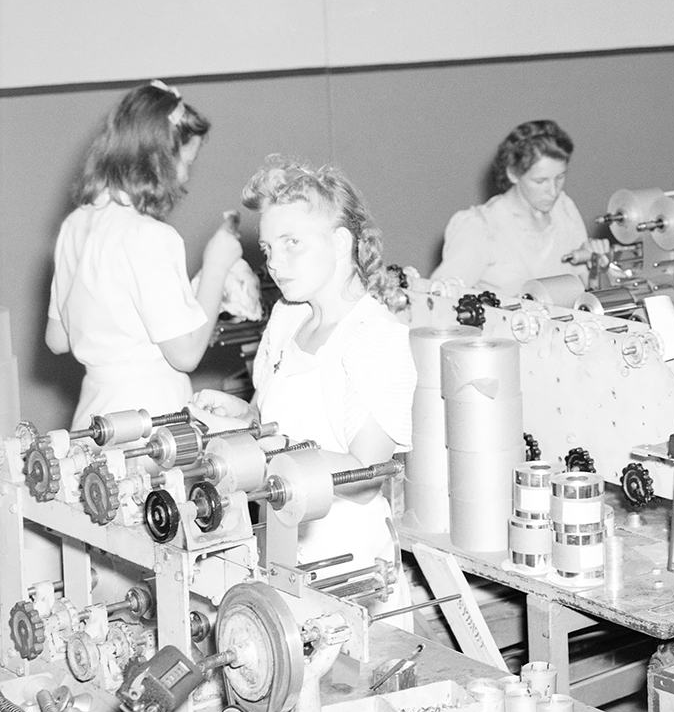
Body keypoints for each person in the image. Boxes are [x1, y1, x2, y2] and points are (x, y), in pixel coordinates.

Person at [196, 158, 415, 572]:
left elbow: (366, 476)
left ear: (339, 243)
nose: (274, 262)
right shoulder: (287, 317)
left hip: (347, 558)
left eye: (291, 242)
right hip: (276, 537)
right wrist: (241, 416)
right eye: (267, 249)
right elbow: (270, 419)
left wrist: (263, 449)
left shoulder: (373, 336)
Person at [47, 80, 244, 427]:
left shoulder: (76, 224)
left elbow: (58, 339)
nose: (186, 176)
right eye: (186, 162)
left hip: (94, 411)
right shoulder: (148, 236)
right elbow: (186, 353)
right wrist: (216, 265)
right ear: (160, 159)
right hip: (149, 418)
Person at [431, 120, 601, 295]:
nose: (553, 191)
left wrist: (597, 264)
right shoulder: (481, 228)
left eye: (560, 178)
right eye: (540, 181)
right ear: (513, 173)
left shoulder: (564, 210)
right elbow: (438, 297)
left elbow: (586, 286)